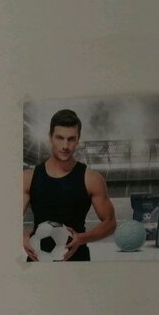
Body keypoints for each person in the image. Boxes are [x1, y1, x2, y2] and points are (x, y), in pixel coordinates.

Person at [22, 109, 115, 261]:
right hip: (38, 262)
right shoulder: (28, 177)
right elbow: (6, 218)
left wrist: (82, 238)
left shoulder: (91, 179)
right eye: (60, 138)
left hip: (78, 263)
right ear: (50, 137)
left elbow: (110, 223)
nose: (65, 145)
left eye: (71, 139)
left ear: (78, 140)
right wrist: (21, 236)